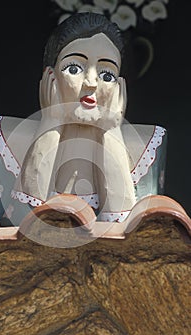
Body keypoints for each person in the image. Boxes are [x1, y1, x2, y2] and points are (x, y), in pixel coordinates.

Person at [16, 12, 136, 220]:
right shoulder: (10, 136)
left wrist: (111, 129)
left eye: (107, 75)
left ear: (119, 87)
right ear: (51, 77)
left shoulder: (144, 145)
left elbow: (120, 223)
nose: (91, 82)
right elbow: (23, 218)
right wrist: (51, 120)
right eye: (74, 68)